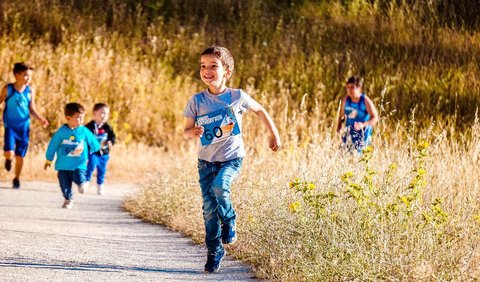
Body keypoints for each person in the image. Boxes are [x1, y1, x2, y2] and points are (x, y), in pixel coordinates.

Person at [183, 46, 281, 273]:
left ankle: (229, 219)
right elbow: (186, 132)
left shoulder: (237, 96)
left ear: (226, 72)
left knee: (220, 187)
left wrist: (273, 134)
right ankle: (214, 250)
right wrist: (193, 132)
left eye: (213, 66)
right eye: (203, 66)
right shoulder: (196, 101)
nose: (207, 70)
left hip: (231, 159)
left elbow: (260, 111)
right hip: (205, 163)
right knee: (208, 210)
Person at [0, 62, 49, 189]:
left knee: (20, 155)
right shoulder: (8, 89)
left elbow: (32, 108)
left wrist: (40, 119)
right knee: (9, 152)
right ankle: (8, 160)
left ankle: (16, 178)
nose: (28, 78)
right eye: (26, 75)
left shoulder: (30, 91)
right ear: (17, 75)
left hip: (24, 127)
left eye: (30, 76)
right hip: (10, 126)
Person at [44, 103, 100, 209]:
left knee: (79, 178)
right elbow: (53, 145)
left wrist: (96, 150)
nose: (81, 120)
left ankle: (82, 183)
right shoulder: (61, 132)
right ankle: (68, 200)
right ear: (68, 118)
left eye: (83, 117)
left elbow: (93, 142)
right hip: (63, 165)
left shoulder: (84, 131)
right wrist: (48, 159)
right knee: (64, 185)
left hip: (79, 164)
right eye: (78, 117)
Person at [336, 76, 379, 152]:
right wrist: (338, 131)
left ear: (359, 88)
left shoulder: (365, 101)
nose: (350, 90)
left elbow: (375, 117)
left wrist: (363, 124)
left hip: (363, 134)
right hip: (349, 132)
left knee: (358, 157)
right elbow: (341, 117)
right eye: (348, 87)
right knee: (343, 153)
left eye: (352, 87)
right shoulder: (346, 100)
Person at [84, 103, 116, 195]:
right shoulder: (89, 126)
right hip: (93, 151)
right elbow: (84, 136)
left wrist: (111, 142)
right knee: (91, 165)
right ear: (94, 113)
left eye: (106, 114)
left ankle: (100, 185)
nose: (104, 116)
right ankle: (86, 182)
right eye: (102, 113)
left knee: (102, 170)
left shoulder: (107, 127)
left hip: (104, 153)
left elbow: (112, 137)